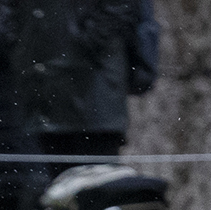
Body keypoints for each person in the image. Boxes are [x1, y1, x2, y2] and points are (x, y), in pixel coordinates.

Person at [8, 0, 158, 170]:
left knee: (97, 184)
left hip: (94, 90)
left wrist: (87, 41)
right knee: (55, 184)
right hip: (45, 93)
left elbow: (120, 8)